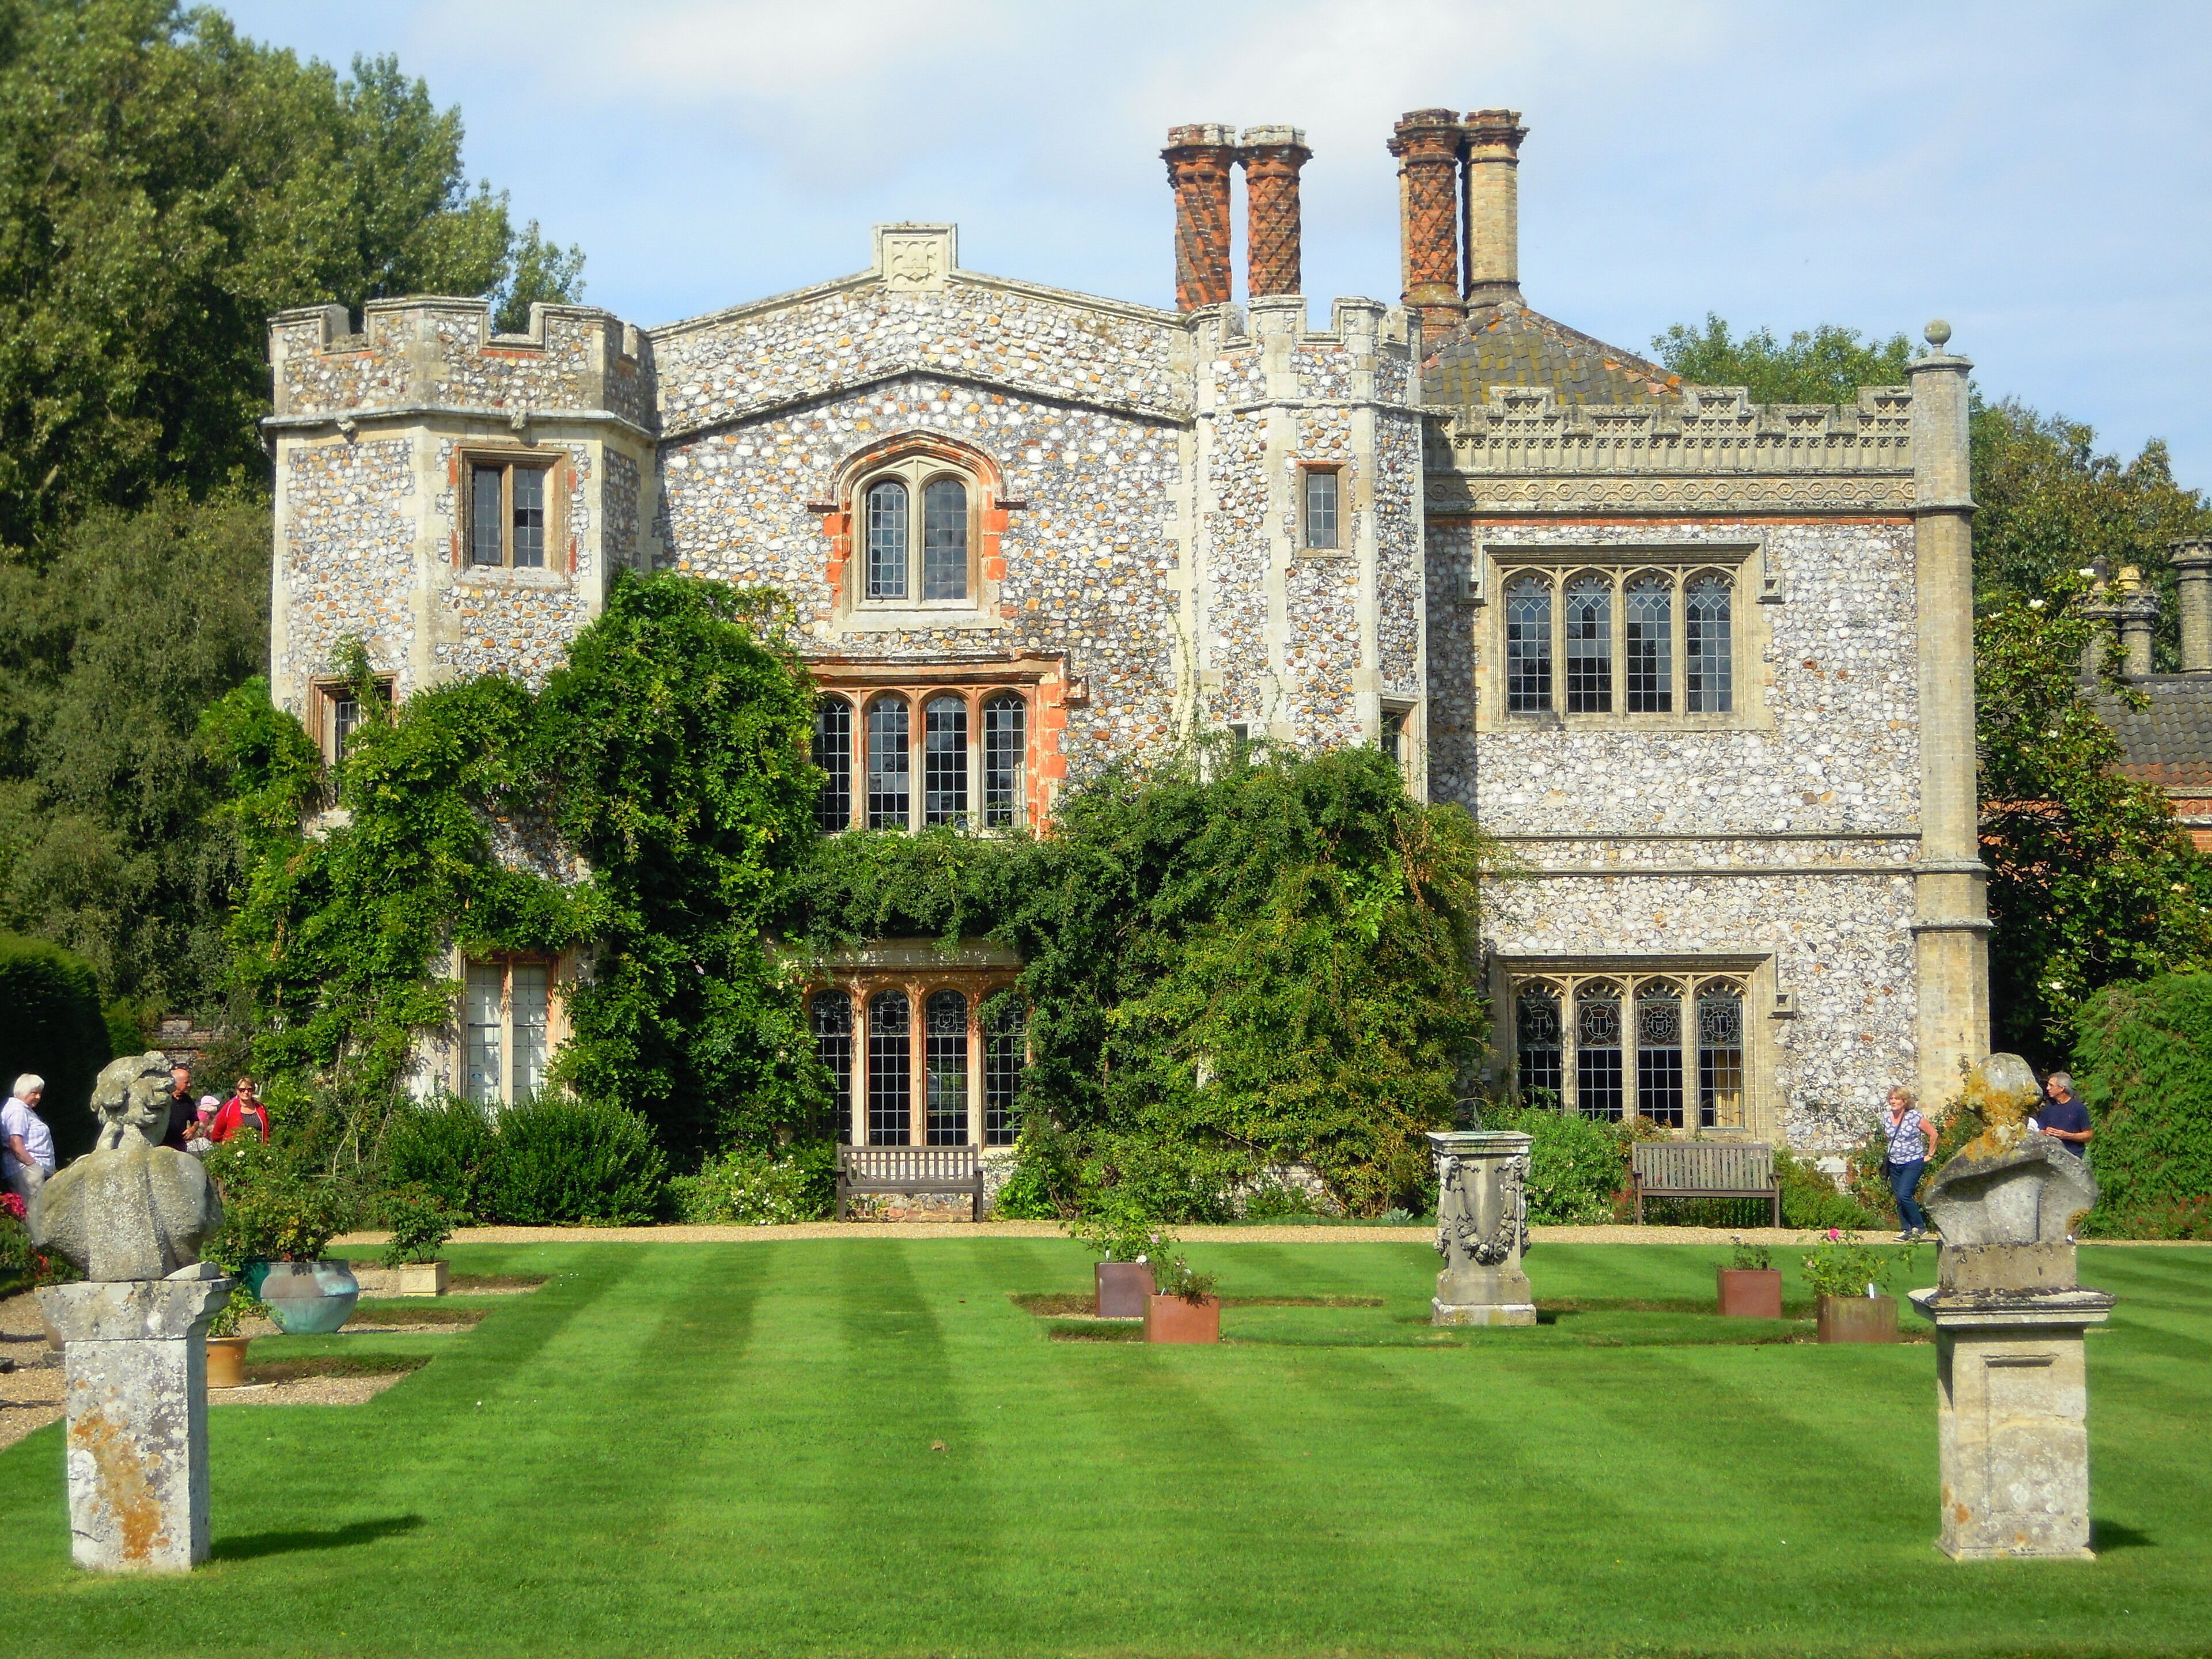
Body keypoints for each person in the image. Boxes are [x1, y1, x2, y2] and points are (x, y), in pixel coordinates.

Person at [1882, 1084, 1936, 1242]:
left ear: (1904, 1101)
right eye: (1891, 1098)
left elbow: (1934, 1134)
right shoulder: (1886, 1117)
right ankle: (1906, 1229)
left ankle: (1919, 1226)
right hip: (1894, 1163)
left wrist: (1930, 1155)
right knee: (1899, 1197)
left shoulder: (1914, 1117)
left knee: (1905, 1194)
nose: (1893, 1101)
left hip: (1912, 1162)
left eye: (1897, 1098)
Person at [1, 1074, 56, 1207]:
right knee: (35, 1212)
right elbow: (15, 1142)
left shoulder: (24, 1110)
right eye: (34, 1093)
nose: (38, 1097)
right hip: (27, 1172)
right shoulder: (17, 1110)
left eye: (40, 1093)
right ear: (24, 1091)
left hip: (33, 1171)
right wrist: (33, 1165)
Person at [2038, 1071, 2093, 1160]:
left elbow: (2088, 1135)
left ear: (2062, 1088)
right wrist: (2046, 1133)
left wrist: (2067, 1135)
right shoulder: (2048, 1108)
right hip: (2051, 1157)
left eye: (2051, 1086)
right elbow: (2040, 1131)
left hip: (2073, 1158)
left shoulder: (2079, 1108)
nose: (2048, 1088)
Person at [209, 1077, 270, 1146]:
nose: (246, 1092)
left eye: (249, 1089)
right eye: (242, 1090)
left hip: (258, 1151)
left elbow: (267, 1131)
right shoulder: (229, 1108)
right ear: (237, 1091)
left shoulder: (261, 1108)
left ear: (253, 1091)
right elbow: (217, 1134)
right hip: (235, 1151)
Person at [160, 1062, 195, 1152]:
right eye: (186, 1083)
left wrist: (192, 1129)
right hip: (161, 1145)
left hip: (179, 1147)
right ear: (176, 1083)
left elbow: (196, 1120)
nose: (189, 1085)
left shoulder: (188, 1101)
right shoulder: (163, 1099)